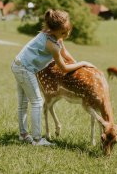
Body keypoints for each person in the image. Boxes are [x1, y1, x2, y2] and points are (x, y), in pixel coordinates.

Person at [11, 9, 95, 146]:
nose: (66, 34)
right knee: (37, 102)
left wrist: (77, 65)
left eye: (68, 30)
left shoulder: (53, 36)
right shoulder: (51, 44)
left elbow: (65, 53)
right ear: (53, 30)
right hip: (24, 69)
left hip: (18, 64)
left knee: (23, 103)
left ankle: (23, 134)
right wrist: (83, 63)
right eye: (63, 32)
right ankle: (37, 140)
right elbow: (64, 67)